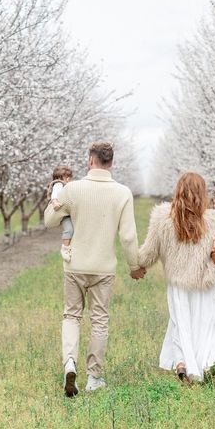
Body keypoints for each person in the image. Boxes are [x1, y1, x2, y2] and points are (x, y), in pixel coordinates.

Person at [47, 142, 145, 397]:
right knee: (100, 320)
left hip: (75, 265)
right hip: (104, 268)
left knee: (71, 316)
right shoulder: (123, 193)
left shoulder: (73, 189)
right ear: (111, 163)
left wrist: (60, 203)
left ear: (90, 161)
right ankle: (94, 377)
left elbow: (49, 220)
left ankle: (70, 363)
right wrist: (134, 266)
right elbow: (128, 236)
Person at [138, 173, 215, 383]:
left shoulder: (162, 217)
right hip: (206, 282)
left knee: (180, 322)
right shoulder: (214, 219)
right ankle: (203, 366)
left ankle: (183, 363)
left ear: (178, 190)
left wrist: (137, 265)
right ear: (203, 193)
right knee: (204, 325)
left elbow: (148, 253)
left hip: (178, 283)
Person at [47, 166, 74, 262]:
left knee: (72, 229)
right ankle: (65, 248)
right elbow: (54, 195)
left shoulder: (65, 186)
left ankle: (70, 246)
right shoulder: (58, 184)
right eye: (67, 178)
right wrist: (54, 202)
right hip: (64, 214)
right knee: (69, 229)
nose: (69, 180)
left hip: (67, 212)